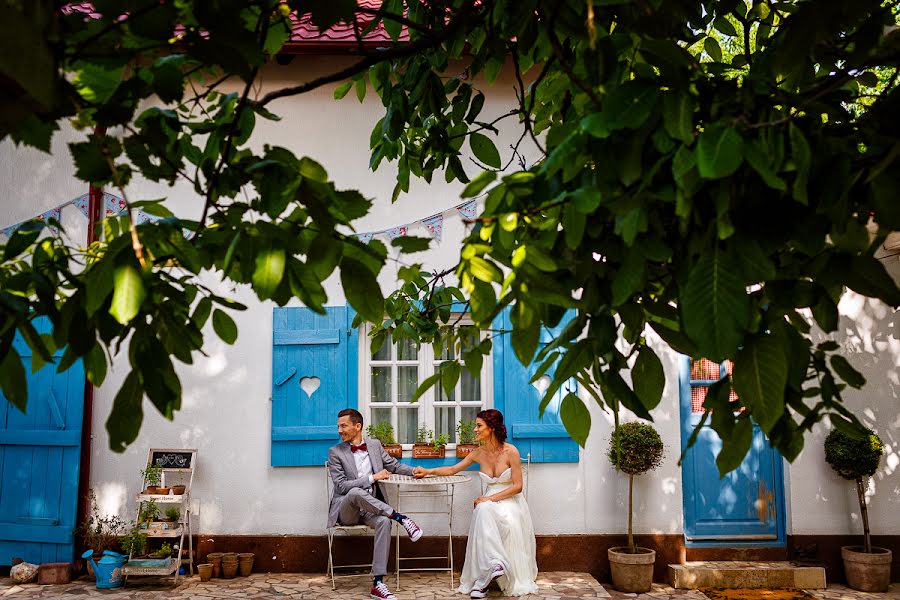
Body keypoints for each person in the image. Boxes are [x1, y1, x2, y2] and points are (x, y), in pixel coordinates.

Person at [415, 409, 538, 598]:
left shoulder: (511, 451)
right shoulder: (478, 453)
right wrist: (427, 471)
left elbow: (518, 487)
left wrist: (488, 498)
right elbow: (452, 469)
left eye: (479, 425)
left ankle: (484, 579)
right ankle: (494, 565)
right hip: (489, 503)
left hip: (510, 501)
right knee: (482, 509)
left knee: (482, 507)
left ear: (492, 427)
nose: (475, 429)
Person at [328, 408, 428, 600]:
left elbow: (394, 466)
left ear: (357, 426)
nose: (339, 430)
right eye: (338, 426)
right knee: (355, 491)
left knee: (383, 522)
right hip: (347, 511)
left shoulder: (374, 445)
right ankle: (401, 518)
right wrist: (373, 477)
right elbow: (341, 486)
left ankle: (378, 583)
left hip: (370, 509)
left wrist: (415, 470)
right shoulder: (335, 452)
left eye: (344, 426)